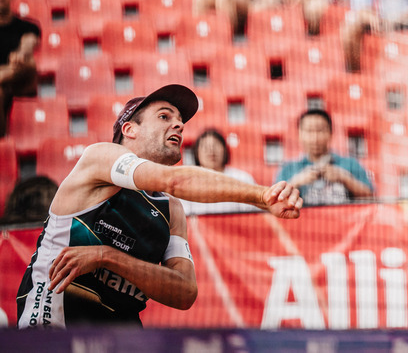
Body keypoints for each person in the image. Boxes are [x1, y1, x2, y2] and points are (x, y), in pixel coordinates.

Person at [16, 84, 302, 327]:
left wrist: (107, 256)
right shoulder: (98, 157)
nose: (178, 125)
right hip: (53, 326)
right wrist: (263, 197)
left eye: (180, 121)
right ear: (129, 130)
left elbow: (185, 292)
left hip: (121, 337)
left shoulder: (171, 209)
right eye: (164, 116)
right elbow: (176, 180)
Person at [276, 108, 373, 206]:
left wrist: (344, 178)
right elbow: (275, 203)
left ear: (330, 133)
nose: (315, 138)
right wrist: (296, 182)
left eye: (320, 130)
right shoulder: (288, 168)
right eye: (309, 131)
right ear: (300, 134)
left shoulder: (351, 164)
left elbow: (371, 196)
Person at [180, 128, 258, 215]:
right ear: (196, 153)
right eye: (205, 146)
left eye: (215, 145)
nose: (211, 150)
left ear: (225, 150)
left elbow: (253, 214)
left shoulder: (243, 179)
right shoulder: (187, 183)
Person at [0, 0, 41, 138]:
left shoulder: (27, 26)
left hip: (21, 82)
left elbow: (29, 41)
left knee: (28, 63)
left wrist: (21, 53)